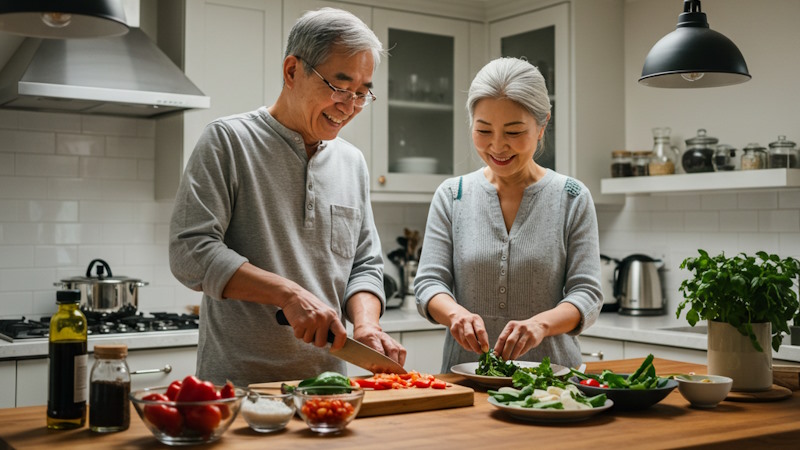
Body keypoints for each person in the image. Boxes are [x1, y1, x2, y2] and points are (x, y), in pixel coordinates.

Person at [169, 7, 405, 386]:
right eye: (340, 88)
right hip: (236, 389)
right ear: (292, 71)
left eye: (362, 93)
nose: (349, 106)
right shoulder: (228, 142)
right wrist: (289, 295)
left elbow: (364, 263)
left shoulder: (352, 163)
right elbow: (189, 252)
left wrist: (366, 324)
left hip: (328, 388)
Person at [414, 57, 602, 372]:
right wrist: (455, 315)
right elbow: (429, 283)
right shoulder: (453, 196)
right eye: (483, 130)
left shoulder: (572, 198)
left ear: (543, 125)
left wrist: (542, 324)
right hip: (468, 377)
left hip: (551, 383)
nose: (497, 146)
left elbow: (587, 293)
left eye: (514, 132)